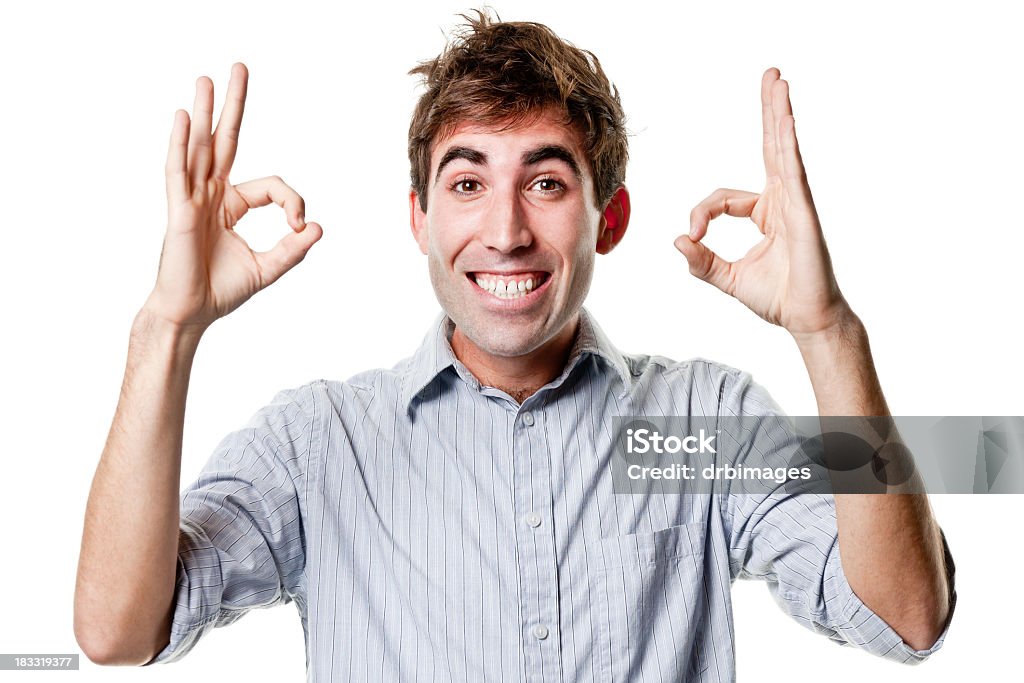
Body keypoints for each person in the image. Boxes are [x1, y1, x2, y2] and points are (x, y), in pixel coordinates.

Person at [74, 12, 954, 681]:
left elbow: (906, 615)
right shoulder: (319, 442)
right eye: (467, 181)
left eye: (544, 181)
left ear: (609, 218)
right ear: (420, 218)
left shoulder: (703, 419)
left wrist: (829, 332)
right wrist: (168, 329)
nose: (505, 230)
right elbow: (118, 629)